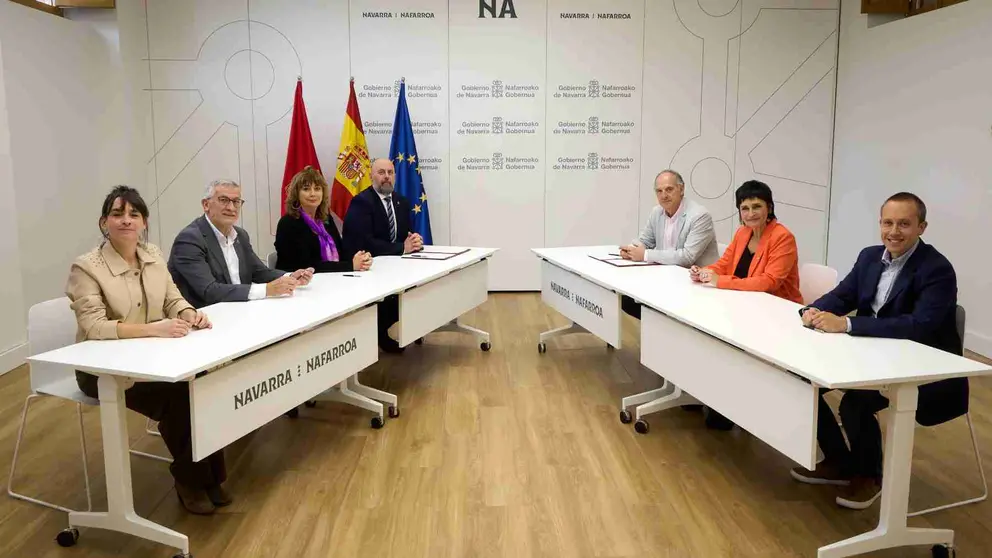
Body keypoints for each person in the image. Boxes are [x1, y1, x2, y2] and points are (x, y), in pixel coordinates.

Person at [791, 192, 965, 510]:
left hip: (922, 366)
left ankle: (869, 476)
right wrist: (812, 310)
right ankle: (840, 461)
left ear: (922, 227)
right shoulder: (870, 257)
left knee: (855, 402)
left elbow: (919, 326)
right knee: (806, 382)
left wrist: (847, 325)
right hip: (871, 353)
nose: (894, 232)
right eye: (888, 223)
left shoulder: (937, 269)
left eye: (904, 224)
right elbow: (843, 295)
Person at [66, 186, 225, 515]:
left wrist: (188, 313)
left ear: (144, 222)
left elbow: (172, 298)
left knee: (204, 382)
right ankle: (191, 481)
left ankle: (211, 478)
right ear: (104, 222)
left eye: (134, 214)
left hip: (150, 357)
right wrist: (155, 329)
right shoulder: (86, 267)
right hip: (101, 370)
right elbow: (95, 327)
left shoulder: (152, 254)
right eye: (117, 214)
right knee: (180, 395)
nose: (126, 220)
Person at [689, 180, 802, 429]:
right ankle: (714, 400)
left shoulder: (783, 237)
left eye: (756, 206)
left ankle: (733, 409)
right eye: (745, 208)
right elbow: (724, 265)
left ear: (769, 207)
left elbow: (769, 282)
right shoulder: (742, 233)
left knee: (725, 344)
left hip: (778, 314)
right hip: (744, 307)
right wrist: (704, 271)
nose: (750, 213)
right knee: (709, 336)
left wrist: (720, 281)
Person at [168, 179, 315, 309]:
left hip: (240, 309)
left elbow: (259, 272)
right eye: (224, 200)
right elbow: (209, 291)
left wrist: (290, 277)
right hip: (206, 318)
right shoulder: (189, 239)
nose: (231, 208)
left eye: (236, 202)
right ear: (206, 205)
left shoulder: (240, 235)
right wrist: (267, 289)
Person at [342, 158, 422, 352]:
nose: (386, 177)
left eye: (390, 172)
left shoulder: (401, 201)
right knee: (397, 297)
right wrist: (402, 248)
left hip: (395, 266)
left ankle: (382, 332)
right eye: (381, 172)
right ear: (371, 176)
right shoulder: (361, 202)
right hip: (366, 268)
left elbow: (405, 236)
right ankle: (377, 333)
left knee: (418, 290)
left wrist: (414, 240)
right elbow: (366, 243)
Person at [618, 169, 719, 319]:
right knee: (627, 299)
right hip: (667, 281)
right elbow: (645, 240)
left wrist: (645, 254)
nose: (664, 195)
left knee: (639, 305)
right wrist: (631, 249)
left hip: (695, 286)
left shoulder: (699, 216)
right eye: (659, 191)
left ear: (681, 189)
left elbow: (687, 257)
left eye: (669, 189)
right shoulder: (657, 212)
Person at [276, 166, 372, 274]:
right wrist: (351, 265)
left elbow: (340, 250)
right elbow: (307, 265)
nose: (312, 194)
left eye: (317, 189)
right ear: (296, 194)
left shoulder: (326, 219)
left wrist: (360, 258)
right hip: (297, 280)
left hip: (328, 278)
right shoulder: (288, 223)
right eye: (306, 189)